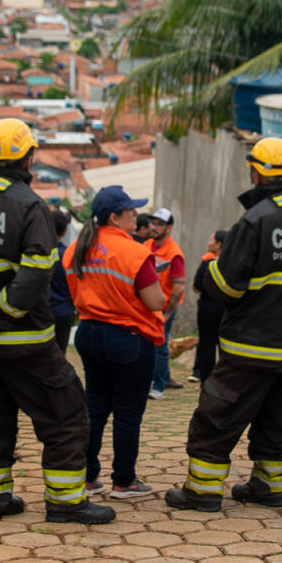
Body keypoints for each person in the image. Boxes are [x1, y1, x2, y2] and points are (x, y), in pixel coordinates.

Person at [0, 118, 114, 525]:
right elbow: (35, 273)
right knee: (66, 416)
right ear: (29, 156)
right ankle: (65, 503)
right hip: (26, 343)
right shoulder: (31, 206)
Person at [167, 137, 282, 512]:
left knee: (218, 415)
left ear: (257, 173)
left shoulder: (255, 221)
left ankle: (202, 492)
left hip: (253, 346)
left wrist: (209, 268)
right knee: (278, 418)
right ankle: (267, 487)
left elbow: (227, 286)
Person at [63, 186, 166, 501]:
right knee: (127, 413)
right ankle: (124, 481)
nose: (137, 215)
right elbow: (156, 300)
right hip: (129, 341)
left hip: (89, 334)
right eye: (131, 211)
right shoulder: (134, 252)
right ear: (114, 216)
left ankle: (88, 478)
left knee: (95, 408)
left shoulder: (75, 250)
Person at [146, 206, 185, 398]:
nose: (154, 227)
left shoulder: (173, 253)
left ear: (169, 229)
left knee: (160, 346)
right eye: (153, 223)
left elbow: (178, 287)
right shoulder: (146, 246)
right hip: (149, 306)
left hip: (165, 307)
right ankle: (165, 377)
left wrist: (168, 313)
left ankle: (158, 387)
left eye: (160, 224)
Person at [188, 229, 227, 385]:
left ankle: (206, 382)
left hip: (207, 309)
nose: (208, 242)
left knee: (206, 345)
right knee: (225, 347)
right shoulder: (232, 264)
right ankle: (226, 380)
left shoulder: (207, 264)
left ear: (219, 244)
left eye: (211, 240)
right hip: (227, 310)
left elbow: (196, 286)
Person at [47, 208, 75, 351]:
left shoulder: (38, 252)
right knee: (59, 354)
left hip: (42, 312)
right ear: (64, 230)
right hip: (64, 312)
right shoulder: (68, 256)